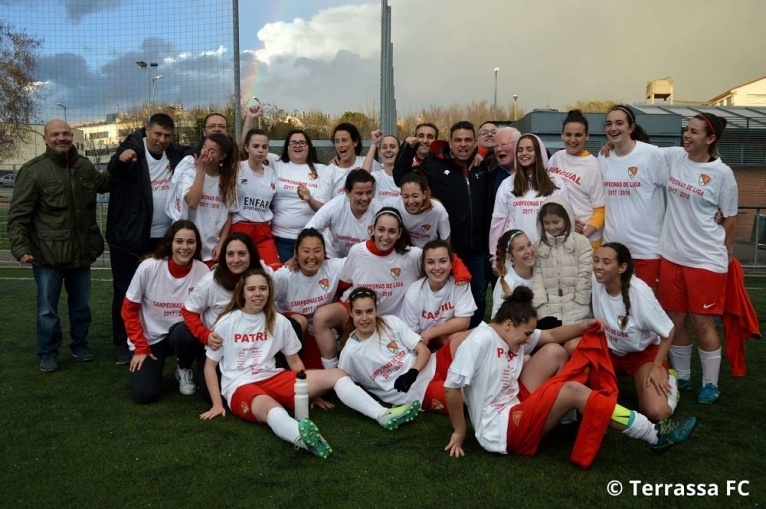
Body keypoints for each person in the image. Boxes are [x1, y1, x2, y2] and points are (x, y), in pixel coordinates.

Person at [443, 286, 697, 462]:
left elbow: (552, 336)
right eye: (527, 334)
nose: (528, 340)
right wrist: (459, 431)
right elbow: (451, 387)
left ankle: (565, 422)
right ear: (509, 324)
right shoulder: (479, 340)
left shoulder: (507, 333)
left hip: (513, 402)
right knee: (572, 391)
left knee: (553, 351)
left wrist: (585, 326)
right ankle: (653, 435)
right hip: (500, 429)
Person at [200, 269, 421, 458]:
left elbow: (294, 360)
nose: (258, 294)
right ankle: (304, 439)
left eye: (263, 289)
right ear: (242, 292)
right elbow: (210, 366)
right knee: (271, 409)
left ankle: (383, 415)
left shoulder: (279, 321)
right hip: (240, 385)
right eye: (252, 289)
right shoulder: (227, 323)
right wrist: (217, 404)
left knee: (337, 374)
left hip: (273, 376)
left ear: (269, 292)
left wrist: (309, 393)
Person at [8, 119, 110, 372]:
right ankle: (48, 351)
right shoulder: (33, 170)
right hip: (47, 256)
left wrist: (127, 160)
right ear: (45, 139)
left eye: (65, 133)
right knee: (47, 310)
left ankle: (80, 345)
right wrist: (20, 248)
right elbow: (19, 215)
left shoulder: (85, 166)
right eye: (55, 134)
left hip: (81, 253)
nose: (61, 138)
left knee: (80, 307)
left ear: (72, 136)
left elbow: (105, 184)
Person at [312, 207, 471, 368]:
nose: (385, 236)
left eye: (392, 231)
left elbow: (441, 257)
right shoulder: (358, 251)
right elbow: (344, 283)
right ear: (372, 229)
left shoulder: (412, 255)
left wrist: (462, 273)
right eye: (381, 230)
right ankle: (331, 370)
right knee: (322, 317)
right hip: (363, 315)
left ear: (399, 233)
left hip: (398, 323)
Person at [657, 113, 738, 404]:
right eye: (686, 130)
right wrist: (609, 147)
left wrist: (727, 255)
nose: (686, 136)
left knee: (702, 322)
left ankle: (710, 383)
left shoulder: (722, 173)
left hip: (705, 260)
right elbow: (640, 150)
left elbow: (729, 218)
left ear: (710, 138)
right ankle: (684, 376)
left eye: (694, 132)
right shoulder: (675, 157)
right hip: (671, 255)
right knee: (674, 319)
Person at [107, 113, 190, 364]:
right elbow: (115, 167)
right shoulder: (132, 151)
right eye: (157, 134)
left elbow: (195, 149)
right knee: (125, 291)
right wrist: (123, 158)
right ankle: (123, 342)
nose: (162, 140)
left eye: (167, 135)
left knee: (158, 293)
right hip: (130, 238)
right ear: (147, 131)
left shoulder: (174, 154)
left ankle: (156, 338)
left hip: (162, 239)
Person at [394, 121, 491, 327]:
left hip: (479, 249)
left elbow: (504, 147)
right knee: (448, 300)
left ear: (475, 143)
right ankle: (446, 343)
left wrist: (484, 150)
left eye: (468, 140)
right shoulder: (435, 165)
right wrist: (407, 148)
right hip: (450, 250)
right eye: (458, 140)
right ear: (450, 143)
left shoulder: (484, 165)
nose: (463, 145)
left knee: (479, 296)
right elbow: (400, 178)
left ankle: (473, 338)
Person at [339, 286, 467, 413]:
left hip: (434, 364)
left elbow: (424, 350)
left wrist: (412, 372)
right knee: (469, 393)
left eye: (369, 311)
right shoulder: (350, 353)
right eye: (358, 312)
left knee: (475, 337)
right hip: (420, 392)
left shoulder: (390, 322)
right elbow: (342, 384)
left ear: (376, 310)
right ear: (351, 313)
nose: (364, 318)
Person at [122, 220, 210, 403]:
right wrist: (140, 346)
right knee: (144, 395)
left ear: (197, 245)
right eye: (179, 241)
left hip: (181, 336)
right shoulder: (149, 267)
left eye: (190, 242)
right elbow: (128, 310)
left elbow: (208, 311)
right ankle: (154, 364)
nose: (184, 247)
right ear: (170, 242)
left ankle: (184, 369)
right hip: (150, 338)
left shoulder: (203, 271)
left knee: (186, 330)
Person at [592, 243, 678, 420]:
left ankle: (671, 378)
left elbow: (668, 331)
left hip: (643, 354)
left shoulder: (639, 292)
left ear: (622, 267)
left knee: (656, 412)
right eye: (596, 260)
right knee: (584, 388)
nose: (598, 267)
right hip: (610, 352)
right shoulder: (595, 280)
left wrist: (655, 367)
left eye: (606, 262)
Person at [180, 233, 268, 399]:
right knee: (209, 394)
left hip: (254, 344)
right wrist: (205, 335)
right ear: (223, 257)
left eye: (242, 254)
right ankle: (186, 367)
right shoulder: (211, 281)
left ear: (251, 254)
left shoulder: (263, 276)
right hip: (218, 346)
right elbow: (188, 310)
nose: (236, 260)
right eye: (230, 254)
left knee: (292, 324)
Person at [598, 104, 668, 291]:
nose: (613, 128)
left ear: (631, 128)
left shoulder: (652, 154)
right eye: (609, 124)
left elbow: (676, 189)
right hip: (613, 249)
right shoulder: (603, 156)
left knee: (646, 306)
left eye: (619, 123)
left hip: (646, 250)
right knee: (617, 305)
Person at [272, 228, 346, 369]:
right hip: (292, 333)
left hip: (320, 332)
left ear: (325, 254)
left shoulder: (333, 267)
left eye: (317, 251)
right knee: (300, 320)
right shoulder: (284, 276)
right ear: (295, 254)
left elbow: (362, 256)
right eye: (306, 251)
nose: (312, 256)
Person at [489, 134, 568, 261]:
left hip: (550, 254)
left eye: (529, 149)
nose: (524, 153)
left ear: (539, 152)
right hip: (517, 256)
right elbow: (498, 222)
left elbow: (565, 220)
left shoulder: (556, 182)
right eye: (520, 150)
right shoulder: (507, 184)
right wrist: (495, 256)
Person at [167, 133, 239, 265]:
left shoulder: (227, 179)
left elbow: (229, 214)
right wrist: (201, 170)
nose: (205, 153)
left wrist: (221, 243)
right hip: (187, 246)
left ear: (222, 157)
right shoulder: (190, 170)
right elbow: (192, 202)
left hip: (212, 249)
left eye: (212, 151)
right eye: (204, 147)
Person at [547, 110, 606, 248]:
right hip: (559, 237)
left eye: (578, 135)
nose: (572, 140)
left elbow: (601, 211)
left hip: (587, 241)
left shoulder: (593, 166)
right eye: (568, 134)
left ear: (587, 136)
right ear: (562, 135)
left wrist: (582, 238)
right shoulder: (556, 158)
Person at [400, 240, 476, 347]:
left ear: (451, 264)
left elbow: (464, 321)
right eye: (430, 262)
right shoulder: (414, 291)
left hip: (445, 336)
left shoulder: (460, 284)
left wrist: (429, 334)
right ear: (424, 266)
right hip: (421, 341)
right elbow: (410, 334)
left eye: (443, 261)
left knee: (469, 338)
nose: (437, 267)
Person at [270, 129, 332, 262]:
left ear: (309, 147)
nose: (297, 146)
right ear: (287, 148)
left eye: (302, 143)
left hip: (310, 241)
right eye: (293, 143)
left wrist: (309, 199)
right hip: (281, 239)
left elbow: (324, 210)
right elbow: (250, 149)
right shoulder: (276, 163)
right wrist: (251, 119)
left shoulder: (322, 170)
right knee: (283, 278)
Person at [531, 198, 592, 325]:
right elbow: (537, 278)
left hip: (577, 308)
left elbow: (585, 275)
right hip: (548, 310)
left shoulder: (582, 242)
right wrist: (540, 304)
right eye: (546, 223)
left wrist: (581, 302)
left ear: (567, 219)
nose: (551, 227)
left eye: (556, 222)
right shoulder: (538, 246)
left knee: (572, 344)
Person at [229, 128, 281, 270]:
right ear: (246, 147)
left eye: (264, 147)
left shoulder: (272, 172)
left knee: (274, 271)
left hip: (263, 228)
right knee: (240, 271)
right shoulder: (236, 169)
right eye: (256, 146)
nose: (260, 150)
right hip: (241, 227)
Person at [305, 169, 379, 258]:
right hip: (333, 257)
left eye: (369, 192)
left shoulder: (380, 211)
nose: (365, 198)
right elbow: (307, 232)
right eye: (359, 193)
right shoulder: (335, 206)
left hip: (364, 261)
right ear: (347, 192)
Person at [389, 171, 450, 248]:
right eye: (406, 196)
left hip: (428, 252)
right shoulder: (394, 206)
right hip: (403, 250)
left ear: (424, 194)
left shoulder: (437, 209)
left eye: (415, 196)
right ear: (401, 195)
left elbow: (445, 239)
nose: (411, 201)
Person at [327, 122, 381, 197]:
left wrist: (374, 143)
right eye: (337, 141)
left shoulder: (371, 163)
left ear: (355, 142)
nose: (340, 145)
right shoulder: (330, 171)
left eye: (344, 140)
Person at [491, 229, 535, 320]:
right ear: (509, 256)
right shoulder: (507, 282)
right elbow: (497, 320)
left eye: (529, 244)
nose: (529, 251)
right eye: (521, 249)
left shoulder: (540, 273)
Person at [488, 127, 521, 209]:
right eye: (495, 146)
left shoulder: (534, 174)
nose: (499, 149)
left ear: (518, 145)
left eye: (504, 144)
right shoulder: (489, 177)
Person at [364, 130, 401, 200]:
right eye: (384, 147)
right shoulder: (376, 177)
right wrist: (374, 143)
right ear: (379, 153)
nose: (388, 150)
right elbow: (362, 179)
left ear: (399, 151)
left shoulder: (407, 177)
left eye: (392, 147)